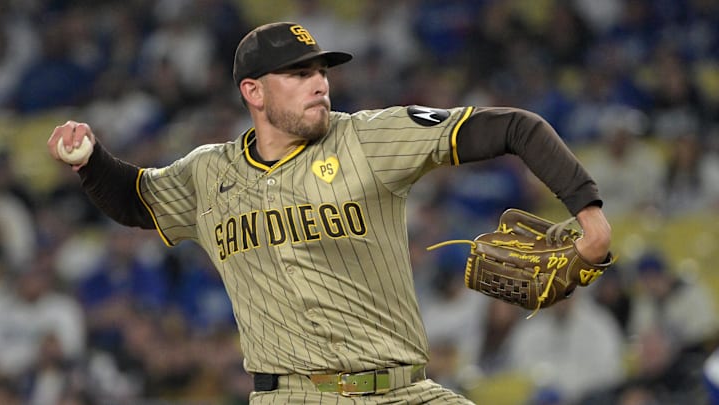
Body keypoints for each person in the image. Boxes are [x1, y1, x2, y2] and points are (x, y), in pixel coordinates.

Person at [47, 22, 612, 404]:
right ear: (254, 92)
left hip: (404, 392)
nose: (319, 83)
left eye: (322, 71)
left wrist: (591, 220)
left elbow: (516, 127)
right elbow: (136, 200)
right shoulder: (207, 173)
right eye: (298, 74)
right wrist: (91, 161)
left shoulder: (368, 139)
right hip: (292, 395)